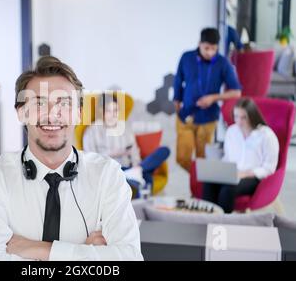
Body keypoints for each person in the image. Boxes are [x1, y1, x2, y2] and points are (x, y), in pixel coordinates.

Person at [0, 56, 143, 261]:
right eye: (39, 103)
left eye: (64, 104)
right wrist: (84, 251)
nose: (52, 115)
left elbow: (129, 258)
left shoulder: (108, 175)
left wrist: (40, 250)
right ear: (21, 113)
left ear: (78, 114)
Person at [173, 28, 242, 175]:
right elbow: (178, 80)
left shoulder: (223, 63)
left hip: (208, 118)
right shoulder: (186, 57)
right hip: (186, 114)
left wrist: (213, 98)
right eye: (206, 48)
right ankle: (198, 179)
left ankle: (200, 187)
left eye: (213, 49)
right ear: (199, 44)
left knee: (203, 159)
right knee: (182, 158)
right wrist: (177, 100)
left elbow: (236, 91)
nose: (210, 52)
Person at [202, 98, 279, 213]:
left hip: (253, 177)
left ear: (252, 116)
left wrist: (245, 174)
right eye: (236, 116)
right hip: (233, 173)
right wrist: (218, 169)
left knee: (228, 189)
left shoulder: (266, 136)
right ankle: (206, 219)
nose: (239, 121)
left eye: (243, 117)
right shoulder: (232, 131)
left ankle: (223, 223)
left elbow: (269, 168)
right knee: (209, 183)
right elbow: (227, 157)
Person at [83, 94, 170, 196]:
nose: (113, 115)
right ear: (101, 111)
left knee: (165, 150)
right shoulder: (92, 131)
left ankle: (138, 171)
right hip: (112, 171)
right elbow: (90, 159)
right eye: (109, 111)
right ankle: (137, 175)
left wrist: (136, 165)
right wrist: (113, 153)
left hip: (130, 168)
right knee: (146, 178)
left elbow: (134, 151)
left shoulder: (125, 128)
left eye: (115, 110)